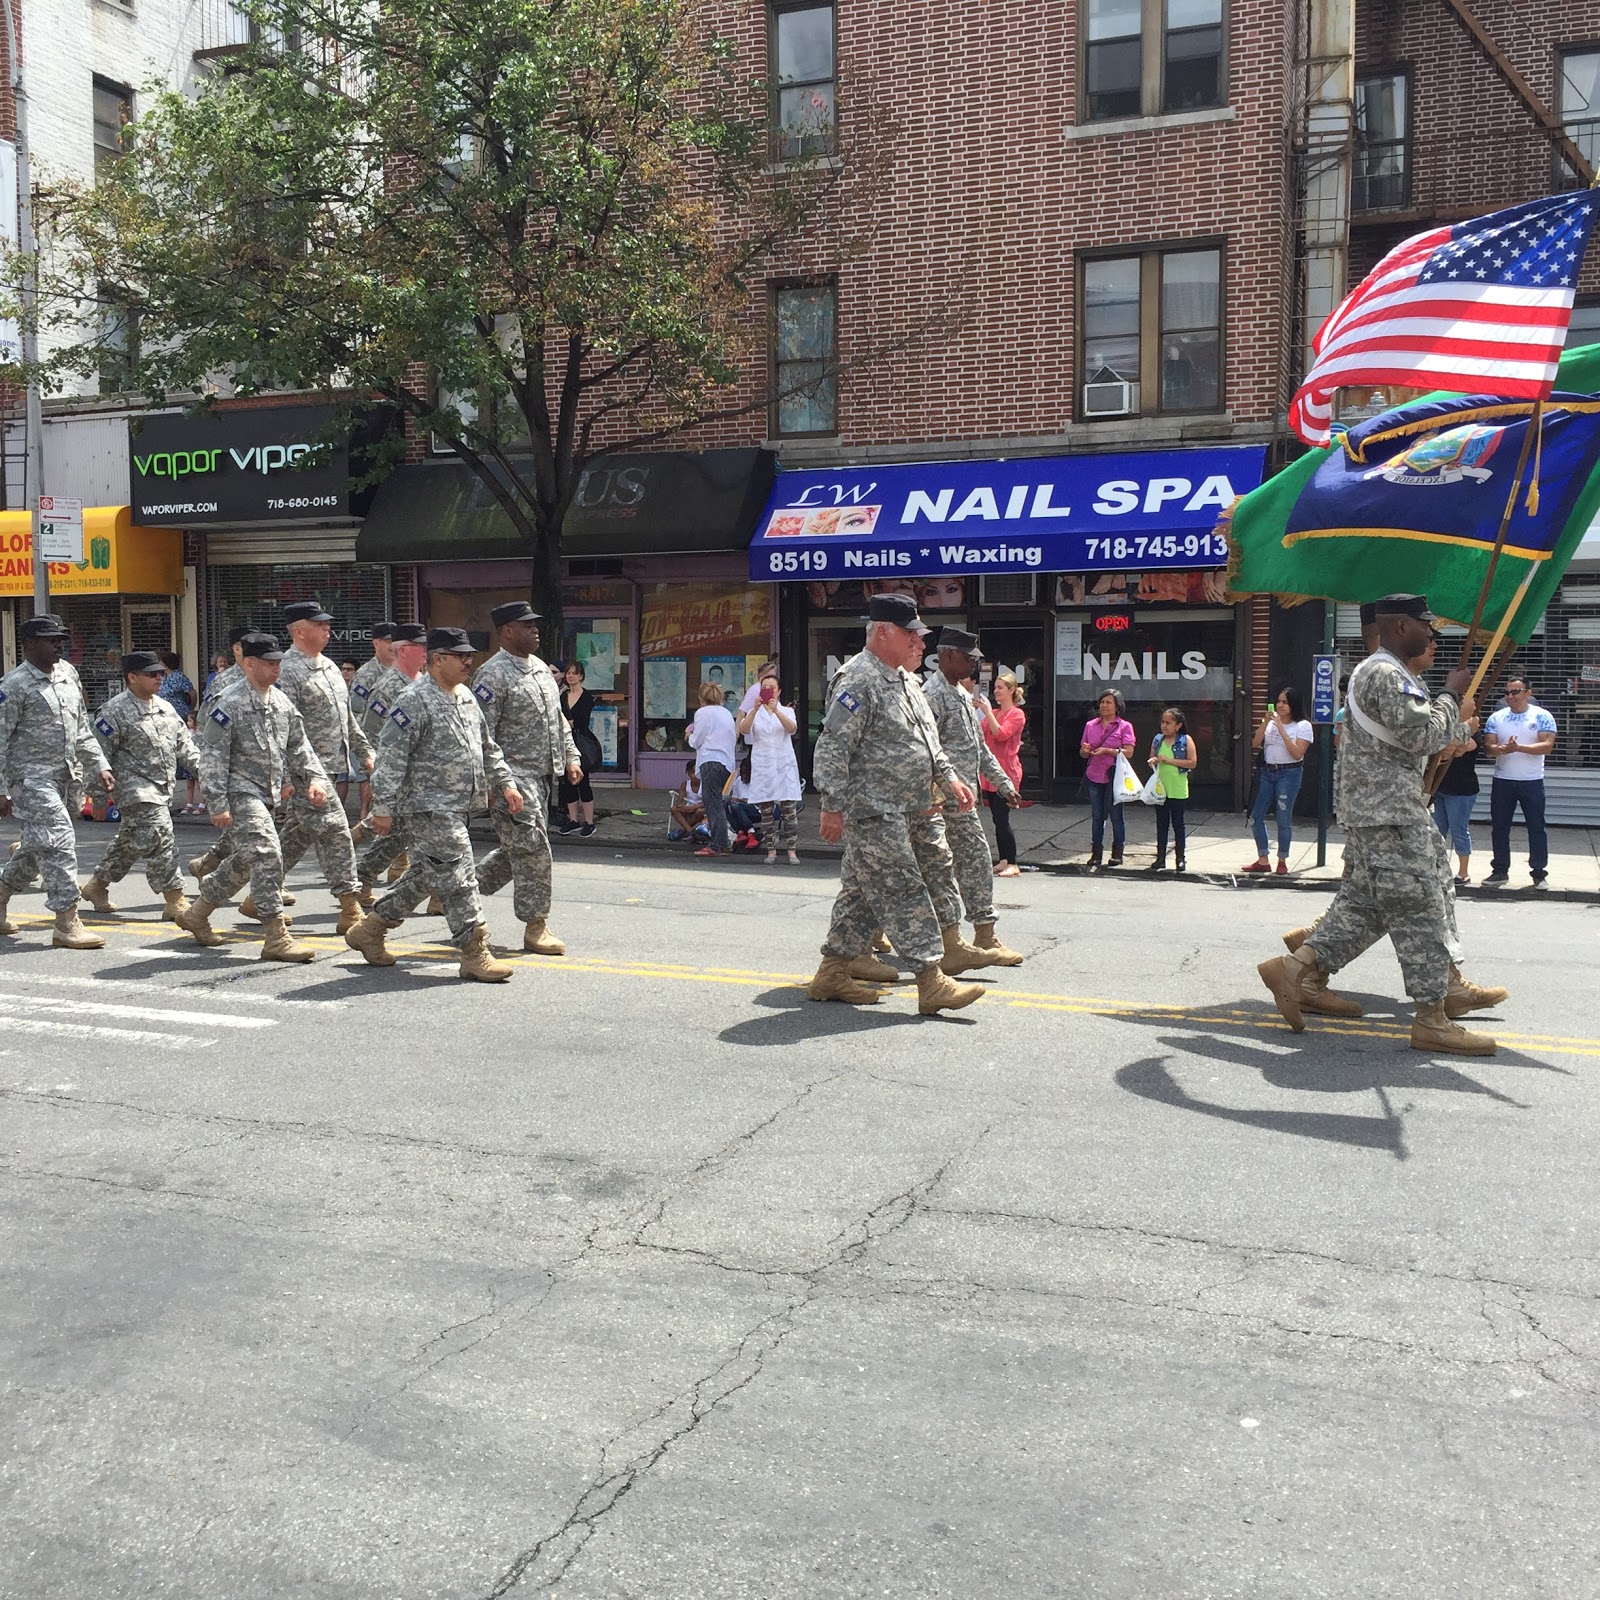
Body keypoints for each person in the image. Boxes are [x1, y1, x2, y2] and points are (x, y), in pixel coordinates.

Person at [1254, 595, 1495, 1056]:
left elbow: (1410, 740)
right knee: (1419, 904)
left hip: (1383, 809)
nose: (1433, 636)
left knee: (1370, 905)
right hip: (1389, 812)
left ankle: (1297, 966)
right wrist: (1451, 697)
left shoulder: (1386, 673)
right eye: (1427, 626)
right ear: (1402, 626)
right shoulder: (1384, 672)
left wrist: (1454, 725)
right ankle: (1432, 1017)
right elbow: (1421, 734)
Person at [806, 593, 986, 1016]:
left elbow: (928, 741)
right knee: (904, 886)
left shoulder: (905, 679)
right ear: (883, 632)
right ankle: (931, 980)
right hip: (873, 809)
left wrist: (949, 778)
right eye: (912, 634)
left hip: (914, 806)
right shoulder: (857, 680)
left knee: (863, 893)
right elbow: (833, 745)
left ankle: (831, 973)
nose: (921, 644)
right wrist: (831, 806)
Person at [343, 627, 523, 982]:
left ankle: (370, 929)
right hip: (427, 806)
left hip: (457, 805)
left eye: (470, 657)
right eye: (461, 657)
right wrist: (383, 807)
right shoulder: (414, 699)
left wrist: (505, 783)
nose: (469, 663)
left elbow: (487, 747)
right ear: (438, 659)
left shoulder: (466, 697)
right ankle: (474, 951)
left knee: (428, 874)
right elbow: (391, 758)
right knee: (460, 877)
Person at [177, 632, 330, 961]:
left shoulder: (281, 702)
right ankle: (276, 936)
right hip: (239, 791)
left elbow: (298, 748)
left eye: (279, 663)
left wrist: (310, 779)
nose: (277, 669)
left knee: (247, 861)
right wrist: (217, 804)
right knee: (266, 854)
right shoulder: (228, 703)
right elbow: (212, 758)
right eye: (269, 663)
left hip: (268, 794)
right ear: (249, 664)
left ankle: (197, 913)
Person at [471, 601, 584, 955]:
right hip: (513, 779)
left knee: (514, 850)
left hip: (541, 777)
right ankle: (536, 926)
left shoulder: (539, 670)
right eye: (526, 625)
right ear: (506, 631)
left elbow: (558, 721)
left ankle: (458, 888)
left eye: (535, 623)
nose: (535, 629)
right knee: (534, 849)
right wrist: (493, 783)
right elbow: (480, 734)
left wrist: (571, 756)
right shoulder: (491, 675)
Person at [0, 614, 116, 949]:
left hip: (66, 775)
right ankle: (67, 921)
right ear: (29, 644)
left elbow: (81, 727)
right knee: (59, 839)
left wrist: (100, 765)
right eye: (51, 640)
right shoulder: (13, 686)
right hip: (30, 778)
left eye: (61, 639)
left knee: (39, 848)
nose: (58, 645)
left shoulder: (68, 673)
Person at [922, 627, 1025, 966]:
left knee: (971, 860)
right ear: (948, 655)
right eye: (969, 659)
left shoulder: (963, 696)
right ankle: (976, 936)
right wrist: (937, 791)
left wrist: (1004, 784)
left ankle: (983, 934)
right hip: (941, 799)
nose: (975, 666)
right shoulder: (932, 694)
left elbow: (979, 749)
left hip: (964, 796)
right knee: (926, 867)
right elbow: (926, 750)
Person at [79, 650, 203, 922]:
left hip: (162, 788)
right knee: (161, 834)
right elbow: (97, 757)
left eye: (160, 672)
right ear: (132, 677)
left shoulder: (166, 707)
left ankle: (97, 885)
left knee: (132, 841)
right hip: (133, 790)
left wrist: (209, 774)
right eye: (151, 674)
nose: (159, 677)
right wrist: (98, 800)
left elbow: (186, 749)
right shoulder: (113, 711)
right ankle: (175, 898)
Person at [272, 600, 373, 935]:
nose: (327, 629)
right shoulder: (287, 670)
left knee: (294, 839)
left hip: (333, 765)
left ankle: (223, 893)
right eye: (319, 624)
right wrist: (287, 777)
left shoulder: (330, 667)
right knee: (336, 834)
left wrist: (364, 751)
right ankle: (350, 907)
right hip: (307, 771)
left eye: (328, 624)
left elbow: (347, 718)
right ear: (299, 630)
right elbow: (281, 728)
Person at [353, 623, 429, 896]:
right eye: (420, 646)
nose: (426, 652)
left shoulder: (424, 680)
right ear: (404, 650)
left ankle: (362, 867)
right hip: (397, 773)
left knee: (404, 832)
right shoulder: (386, 687)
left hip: (422, 773)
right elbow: (370, 734)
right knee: (407, 832)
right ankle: (362, 873)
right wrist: (376, 774)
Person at [1483, 675, 1556, 889]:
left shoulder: (1542, 716)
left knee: (1536, 827)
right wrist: (1502, 750)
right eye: (1507, 692)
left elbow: (1547, 746)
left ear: (1528, 693)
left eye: (1515, 692)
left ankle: (1539, 872)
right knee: (1499, 827)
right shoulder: (1497, 718)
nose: (1510, 696)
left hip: (1531, 780)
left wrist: (1519, 748)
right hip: (1503, 780)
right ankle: (1500, 870)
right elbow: (1489, 748)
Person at [736, 667, 803, 864]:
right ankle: (771, 851)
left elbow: (792, 729)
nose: (768, 690)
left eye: (771, 687)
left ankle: (792, 850)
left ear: (779, 691)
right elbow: (744, 729)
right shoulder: (753, 712)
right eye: (764, 687)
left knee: (789, 810)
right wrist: (756, 709)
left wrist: (776, 711)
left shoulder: (787, 710)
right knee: (766, 811)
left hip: (783, 764)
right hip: (764, 764)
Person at [1245, 687, 1312, 874]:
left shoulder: (1302, 726)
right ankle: (1263, 858)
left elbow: (1297, 753)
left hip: (1288, 773)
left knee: (1283, 817)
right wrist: (1266, 723)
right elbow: (1255, 743)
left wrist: (1281, 729)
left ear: (1293, 705)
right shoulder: (1271, 723)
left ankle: (1282, 859)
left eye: (1285, 702)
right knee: (1255, 816)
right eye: (1279, 701)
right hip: (1267, 772)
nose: (1280, 705)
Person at [976, 670, 1026, 876]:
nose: (995, 691)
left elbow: (1002, 735)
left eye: (1000, 688)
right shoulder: (994, 713)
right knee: (996, 818)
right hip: (990, 771)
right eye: (995, 688)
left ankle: (1013, 862)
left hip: (1006, 770)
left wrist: (987, 712)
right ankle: (1004, 859)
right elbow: (981, 733)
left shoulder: (1016, 713)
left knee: (1002, 817)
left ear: (1011, 690)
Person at [1080, 690, 1135, 868]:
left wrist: (1108, 751)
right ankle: (1096, 853)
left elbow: (1129, 752)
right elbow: (1082, 752)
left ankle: (1117, 852)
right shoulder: (1090, 725)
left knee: (1116, 816)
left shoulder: (1124, 726)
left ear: (1117, 706)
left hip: (1114, 777)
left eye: (1108, 702)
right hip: (1094, 775)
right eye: (1102, 702)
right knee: (1097, 816)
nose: (1104, 705)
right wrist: (1086, 750)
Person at [686, 680, 738, 857]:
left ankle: (717, 844)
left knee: (712, 803)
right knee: (717, 802)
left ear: (701, 698)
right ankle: (722, 841)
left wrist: (689, 736)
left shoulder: (702, 713)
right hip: (726, 762)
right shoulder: (726, 713)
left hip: (710, 760)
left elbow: (698, 739)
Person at [1145, 706, 1197, 872]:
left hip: (1178, 788)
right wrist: (1154, 760)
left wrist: (1169, 760)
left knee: (1178, 824)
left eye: (1168, 722)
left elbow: (1192, 762)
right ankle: (1160, 857)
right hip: (1161, 789)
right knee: (1161, 824)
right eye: (1162, 722)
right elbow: (1152, 756)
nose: (1164, 726)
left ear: (1178, 725)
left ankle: (1180, 858)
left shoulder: (1185, 740)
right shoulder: (1158, 740)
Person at [1432, 719, 1483, 885]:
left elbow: (1461, 746)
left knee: (1459, 830)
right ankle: (1438, 869)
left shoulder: (1473, 731)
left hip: (1462, 790)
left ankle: (1463, 872)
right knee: (1437, 832)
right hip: (1441, 787)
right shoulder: (1443, 728)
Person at [155, 651, 203, 814]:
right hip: (162, 718)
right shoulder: (160, 678)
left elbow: (192, 693)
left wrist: (189, 709)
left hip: (178, 716)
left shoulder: (178, 677)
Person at [558, 660, 600, 835]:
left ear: (581, 676)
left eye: (574, 673)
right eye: (568, 672)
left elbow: (581, 721)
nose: (571, 676)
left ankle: (589, 822)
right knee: (568, 783)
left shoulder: (586, 696)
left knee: (583, 782)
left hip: (581, 741)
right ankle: (573, 819)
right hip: (565, 741)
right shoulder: (562, 695)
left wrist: (567, 723)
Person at [725, 757, 762, 847]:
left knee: (736, 806)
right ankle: (740, 832)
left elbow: (759, 802)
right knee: (725, 804)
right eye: (743, 773)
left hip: (756, 810)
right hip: (739, 809)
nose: (745, 776)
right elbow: (735, 797)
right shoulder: (738, 781)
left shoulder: (758, 782)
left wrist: (742, 801)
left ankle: (751, 832)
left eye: (747, 773)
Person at [669, 760, 709, 841]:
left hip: (700, 811)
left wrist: (693, 808)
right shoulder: (685, 784)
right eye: (692, 773)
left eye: (696, 773)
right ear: (688, 773)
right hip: (688, 810)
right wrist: (681, 806)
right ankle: (691, 832)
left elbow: (707, 801)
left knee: (700, 811)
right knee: (674, 809)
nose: (694, 776)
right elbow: (679, 801)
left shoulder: (705, 784)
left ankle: (683, 831)